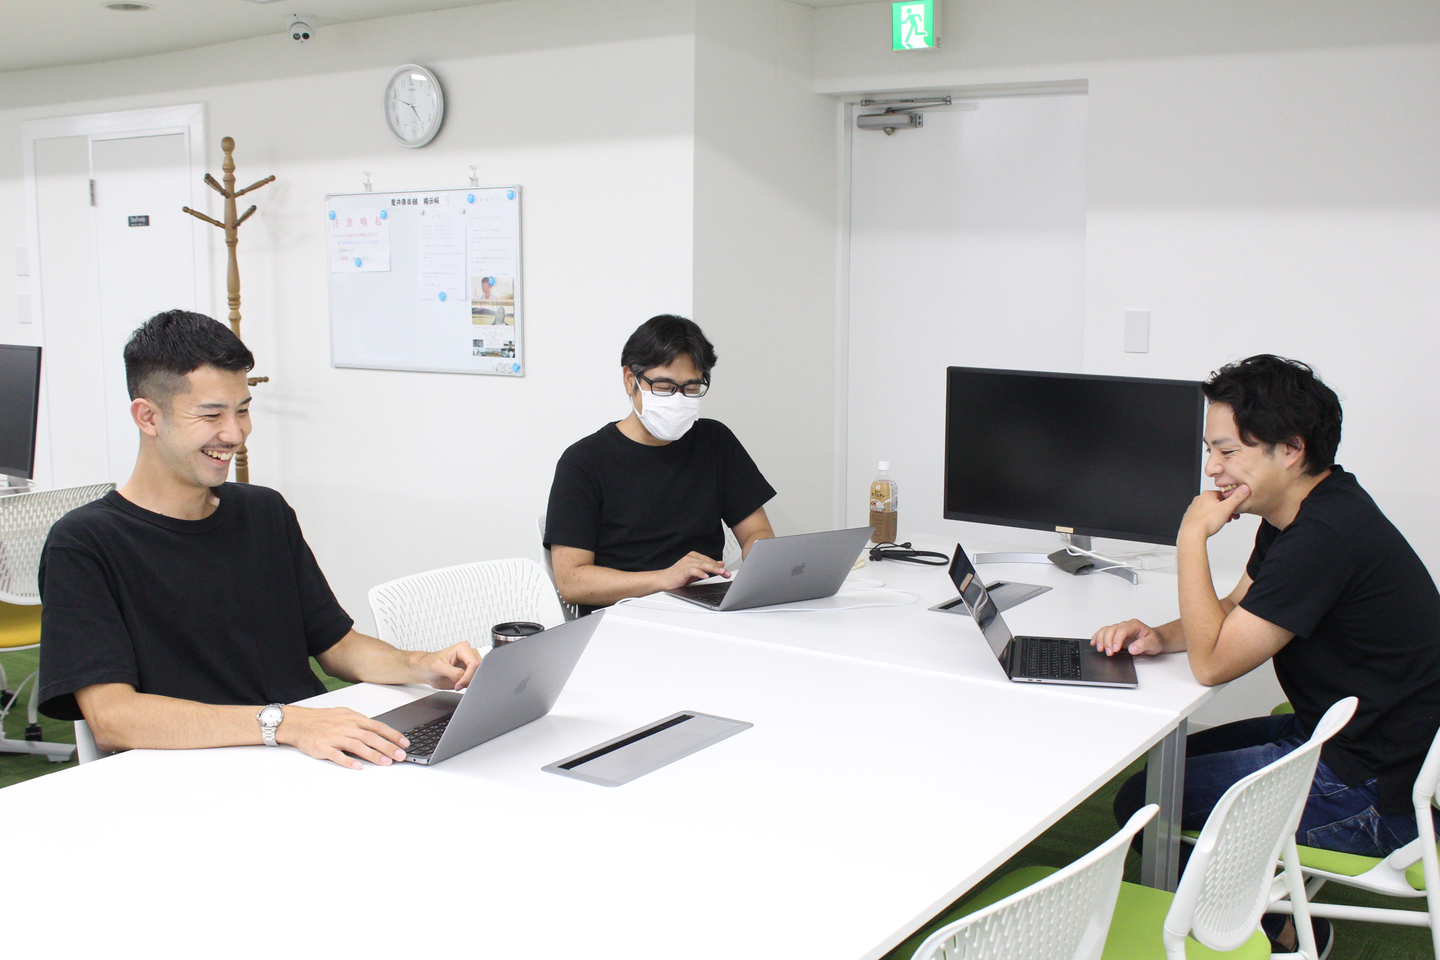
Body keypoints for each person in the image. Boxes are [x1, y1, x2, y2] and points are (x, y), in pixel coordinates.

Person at [1092, 355, 1440, 948]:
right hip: (1345, 739)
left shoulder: (1323, 537)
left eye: (1228, 451)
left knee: (1146, 802)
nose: (1212, 468)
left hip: (1373, 791)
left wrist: (1191, 537)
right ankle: (1251, 911)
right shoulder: (1311, 508)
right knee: (1159, 777)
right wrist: (1161, 635)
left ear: (1291, 449)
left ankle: (1275, 932)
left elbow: (1213, 663)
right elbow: (1237, 606)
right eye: (1210, 449)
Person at [37, 310, 481, 770]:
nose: (235, 434)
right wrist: (285, 723)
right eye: (211, 415)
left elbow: (337, 646)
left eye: (243, 410)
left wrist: (422, 665)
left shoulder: (264, 512)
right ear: (148, 417)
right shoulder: (85, 544)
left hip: (308, 756)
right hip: (198, 773)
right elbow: (113, 718)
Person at [544, 314, 776, 613]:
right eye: (665, 387)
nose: (678, 400)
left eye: (691, 388)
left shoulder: (715, 441)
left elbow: (757, 533)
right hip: (624, 615)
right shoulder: (584, 462)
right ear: (630, 379)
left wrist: (763, 573)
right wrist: (665, 579)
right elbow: (572, 582)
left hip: (704, 608)